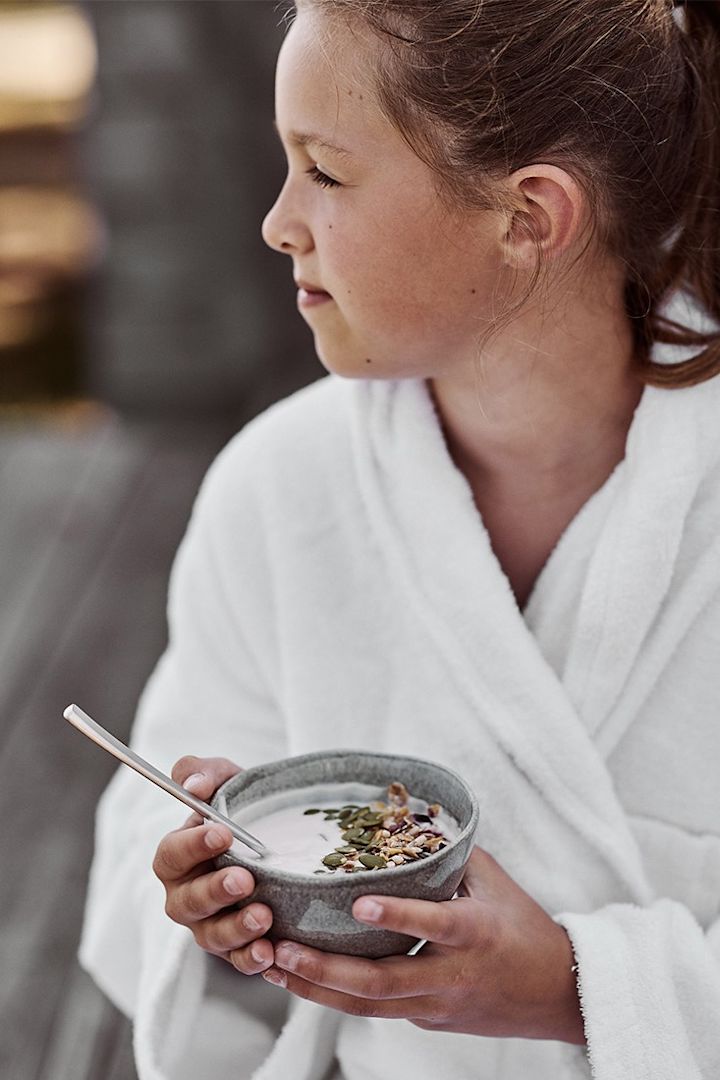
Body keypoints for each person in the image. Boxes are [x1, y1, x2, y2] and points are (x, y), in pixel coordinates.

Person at [79, 1, 720, 1077]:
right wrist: (208, 914)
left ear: (527, 217)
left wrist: (579, 988)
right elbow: (130, 875)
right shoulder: (280, 492)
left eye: (324, 173)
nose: (279, 224)